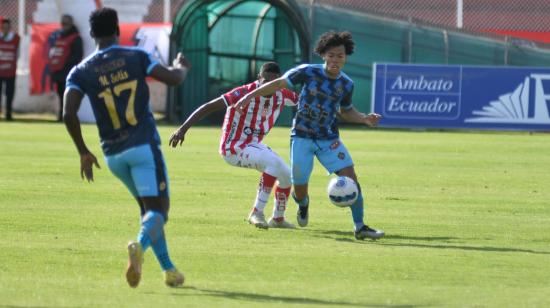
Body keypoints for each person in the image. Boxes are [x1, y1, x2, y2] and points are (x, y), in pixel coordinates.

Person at [63, 7, 191, 288]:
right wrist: (182, 66)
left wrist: (83, 151)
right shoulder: (135, 56)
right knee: (160, 211)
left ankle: (169, 270)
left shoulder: (81, 70)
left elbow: (68, 112)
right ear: (118, 29)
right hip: (143, 145)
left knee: (148, 211)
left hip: (112, 154)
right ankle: (139, 248)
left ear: (92, 33)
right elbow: (173, 79)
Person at [234, 31, 385, 240]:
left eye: (339, 56)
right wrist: (248, 96)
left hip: (329, 139)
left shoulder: (347, 84)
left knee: (351, 178)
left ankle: (360, 227)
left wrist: (363, 119)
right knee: (300, 189)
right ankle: (303, 203)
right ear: (323, 54)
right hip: (302, 138)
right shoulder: (307, 72)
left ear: (345, 57)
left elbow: (346, 110)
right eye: (331, 55)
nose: (335, 59)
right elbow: (278, 84)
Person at [169, 62, 297, 229]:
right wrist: (182, 130)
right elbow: (208, 107)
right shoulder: (244, 93)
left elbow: (305, 101)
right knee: (273, 163)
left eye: (274, 82)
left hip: (253, 145)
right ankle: (256, 213)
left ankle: (278, 219)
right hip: (233, 147)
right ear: (259, 79)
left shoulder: (282, 94)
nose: (270, 86)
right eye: (266, 81)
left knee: (287, 175)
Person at [49, 14, 83, 121]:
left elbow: (77, 55)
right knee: (60, 94)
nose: (64, 25)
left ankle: (67, 115)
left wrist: (65, 66)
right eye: (63, 23)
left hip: (68, 72)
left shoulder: (75, 38)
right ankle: (61, 114)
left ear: (71, 24)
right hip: (59, 72)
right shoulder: (60, 36)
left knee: (68, 95)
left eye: (66, 23)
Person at [0, 19, 20, 121]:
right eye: (4, 27)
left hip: (10, 71)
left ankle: (8, 113)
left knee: (9, 93)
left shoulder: (16, 38)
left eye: (7, 27)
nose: (5, 29)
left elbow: (18, 54)